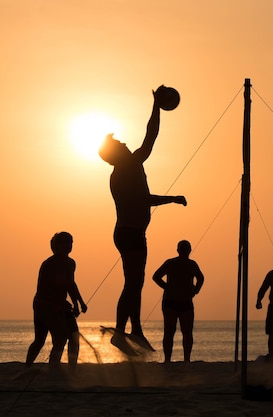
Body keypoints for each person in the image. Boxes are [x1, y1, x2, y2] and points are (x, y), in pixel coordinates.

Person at [99, 88, 187, 351]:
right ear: (116, 154)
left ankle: (133, 328)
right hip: (129, 233)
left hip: (130, 232)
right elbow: (143, 200)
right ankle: (124, 328)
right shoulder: (125, 170)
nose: (126, 143)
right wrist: (172, 199)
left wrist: (156, 108)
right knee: (133, 283)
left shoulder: (130, 165)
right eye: (120, 144)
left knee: (134, 282)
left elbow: (150, 137)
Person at [26, 232, 87, 369]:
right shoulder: (49, 264)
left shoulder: (71, 263)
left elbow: (71, 284)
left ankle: (72, 369)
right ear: (55, 246)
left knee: (74, 336)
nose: (68, 245)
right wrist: (56, 306)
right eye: (64, 242)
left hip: (61, 304)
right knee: (43, 340)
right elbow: (45, 289)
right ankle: (32, 367)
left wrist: (79, 303)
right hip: (44, 305)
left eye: (70, 242)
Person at [152, 240, 204, 362]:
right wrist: (167, 287)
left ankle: (185, 359)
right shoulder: (171, 263)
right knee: (171, 331)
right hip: (171, 301)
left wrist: (195, 290)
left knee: (185, 332)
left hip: (185, 302)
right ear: (179, 250)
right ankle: (168, 359)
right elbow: (156, 276)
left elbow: (201, 278)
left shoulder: (192, 264)